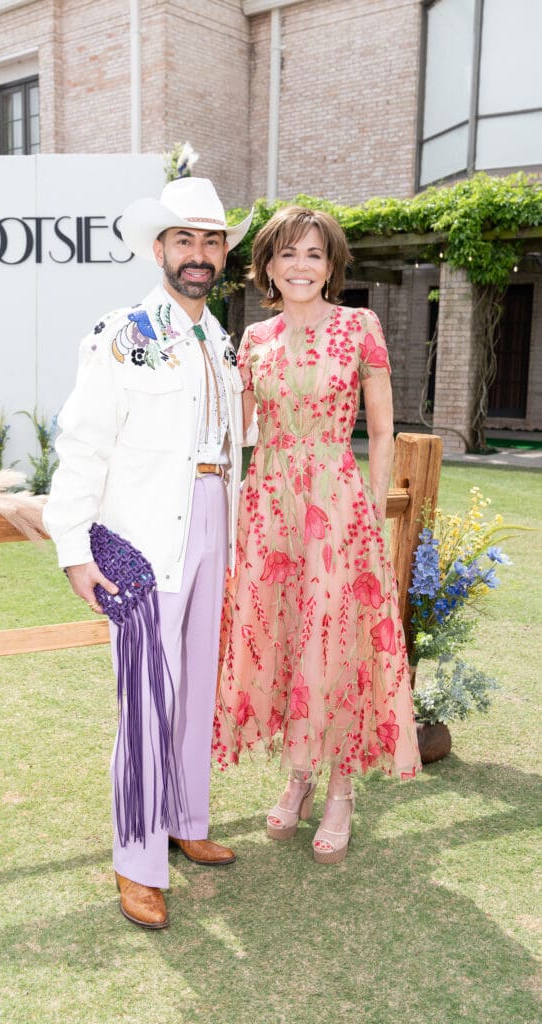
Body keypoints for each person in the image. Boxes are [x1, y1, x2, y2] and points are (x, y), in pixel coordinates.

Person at [43, 177, 252, 927]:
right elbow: (82, 444)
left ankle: (186, 820)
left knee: (195, 688)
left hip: (212, 521)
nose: (198, 254)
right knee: (144, 700)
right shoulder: (120, 334)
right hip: (141, 537)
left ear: (222, 254)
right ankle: (136, 862)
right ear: (158, 249)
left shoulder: (220, 340)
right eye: (183, 239)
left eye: (210, 241)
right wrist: (74, 548)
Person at [213, 206, 421, 864]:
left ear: (331, 265)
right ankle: (297, 776)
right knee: (283, 636)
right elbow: (235, 435)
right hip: (270, 505)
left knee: (335, 642)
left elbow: (381, 431)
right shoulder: (254, 338)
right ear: (267, 265)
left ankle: (340, 788)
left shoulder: (360, 327)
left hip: (336, 504)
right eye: (287, 253)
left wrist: (372, 509)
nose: (300, 265)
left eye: (313, 253)